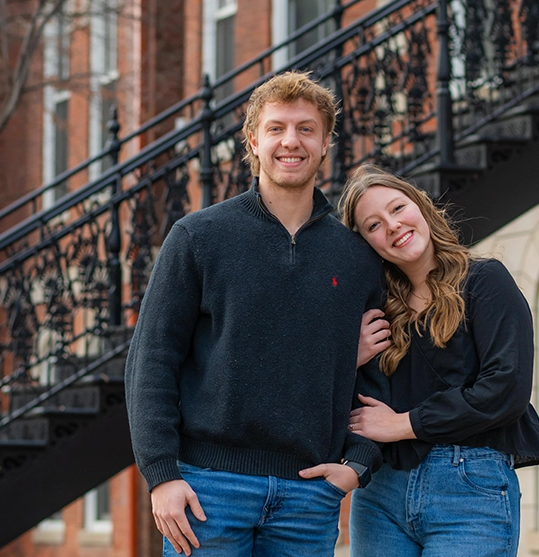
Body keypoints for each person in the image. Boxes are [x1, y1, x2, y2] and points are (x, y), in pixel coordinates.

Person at [124, 71, 385, 557]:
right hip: (207, 492)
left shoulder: (356, 258)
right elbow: (152, 361)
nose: (292, 141)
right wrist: (161, 475)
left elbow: (378, 373)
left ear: (326, 142)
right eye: (276, 128)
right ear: (253, 141)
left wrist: (357, 464)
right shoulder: (198, 237)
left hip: (309, 496)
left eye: (307, 129)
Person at [339, 164, 539, 557]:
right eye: (373, 225)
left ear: (420, 206)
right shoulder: (374, 311)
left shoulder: (485, 282)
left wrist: (404, 424)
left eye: (398, 208)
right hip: (381, 494)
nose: (392, 225)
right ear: (364, 243)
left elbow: (505, 390)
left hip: (469, 489)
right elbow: (337, 404)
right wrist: (350, 360)